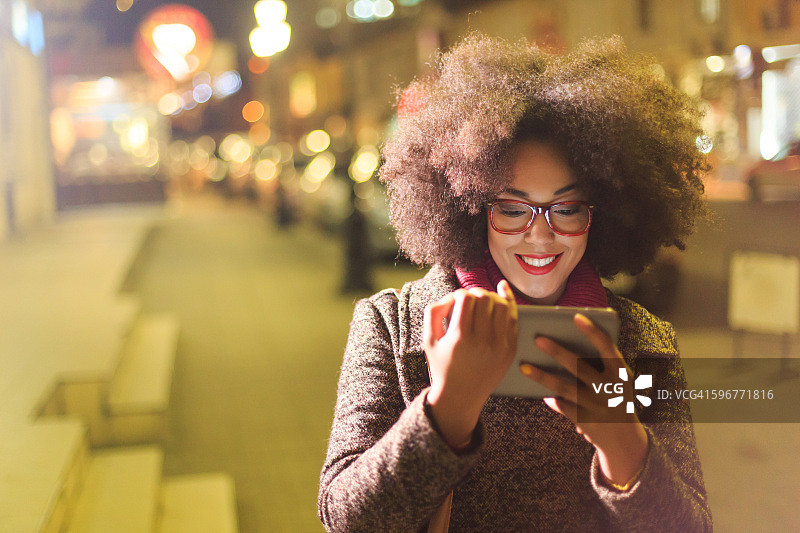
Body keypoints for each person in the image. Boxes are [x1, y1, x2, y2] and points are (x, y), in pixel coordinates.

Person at [318, 34, 713, 532]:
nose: (541, 235)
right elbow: (346, 520)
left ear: (602, 213)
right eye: (512, 208)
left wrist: (623, 443)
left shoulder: (643, 344)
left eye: (567, 208)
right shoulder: (393, 327)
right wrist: (447, 409)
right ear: (470, 208)